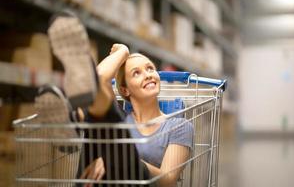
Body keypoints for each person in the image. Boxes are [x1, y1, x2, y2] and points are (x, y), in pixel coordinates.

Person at [46, 13, 193, 187]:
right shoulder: (120, 118)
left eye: (150, 69)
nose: (148, 75)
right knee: (102, 121)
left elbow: (168, 180)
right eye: (136, 73)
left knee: (108, 126)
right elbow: (97, 81)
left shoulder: (178, 126)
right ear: (124, 89)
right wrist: (123, 52)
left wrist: (113, 158)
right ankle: (76, 118)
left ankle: (75, 118)